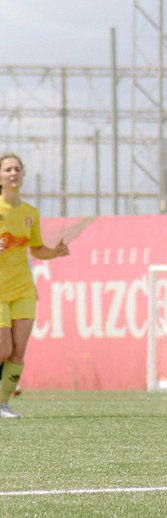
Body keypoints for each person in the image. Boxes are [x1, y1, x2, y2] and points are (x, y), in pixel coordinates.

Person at [0, 152, 70, 418]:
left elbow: (37, 249)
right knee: (3, 349)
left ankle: (3, 404)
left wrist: (56, 251)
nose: (13, 173)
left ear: (23, 175)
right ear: (0, 177)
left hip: (23, 290)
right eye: (7, 170)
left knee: (18, 352)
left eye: (17, 169)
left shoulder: (30, 213)